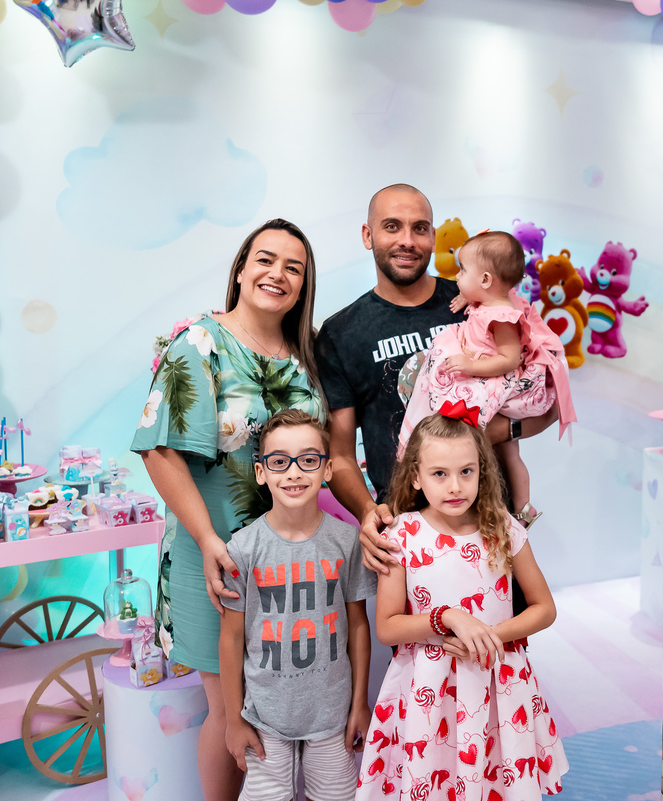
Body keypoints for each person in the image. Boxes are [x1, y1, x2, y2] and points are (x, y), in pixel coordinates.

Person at [132, 219, 326, 801]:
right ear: (241, 269)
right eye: (265, 260)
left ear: (303, 285)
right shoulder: (199, 344)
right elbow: (160, 450)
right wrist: (208, 540)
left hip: (292, 560)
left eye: (293, 267)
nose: (277, 274)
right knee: (231, 711)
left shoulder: (306, 355)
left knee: (282, 704)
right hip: (215, 558)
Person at [316, 184, 558, 574]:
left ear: (433, 235)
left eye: (420, 228)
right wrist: (367, 511)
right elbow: (341, 454)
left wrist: (503, 430)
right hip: (408, 534)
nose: (407, 240)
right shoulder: (341, 333)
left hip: (492, 527)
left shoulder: (477, 303)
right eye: (392, 226)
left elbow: (544, 399)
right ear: (367, 235)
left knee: (511, 617)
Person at [354, 409, 567, 800]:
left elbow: (544, 608)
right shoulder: (401, 534)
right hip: (428, 688)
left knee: (495, 780)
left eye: (466, 471)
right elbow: (387, 626)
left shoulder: (503, 527)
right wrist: (448, 618)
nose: (455, 486)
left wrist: (487, 637)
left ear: (482, 471)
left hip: (497, 682)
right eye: (440, 473)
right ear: (415, 476)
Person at [219, 410, 375, 801]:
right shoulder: (242, 549)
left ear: (327, 469)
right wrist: (233, 720)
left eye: (308, 459)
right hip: (265, 719)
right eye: (279, 461)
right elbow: (231, 638)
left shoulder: (347, 541)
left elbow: (358, 626)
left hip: (332, 716)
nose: (293, 473)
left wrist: (360, 703)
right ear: (261, 472)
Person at [397, 230, 575, 526]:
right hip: (489, 368)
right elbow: (478, 304)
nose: (457, 276)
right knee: (509, 452)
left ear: (485, 280)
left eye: (463, 270)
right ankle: (521, 508)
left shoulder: (503, 316)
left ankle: (522, 510)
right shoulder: (488, 302)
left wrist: (470, 365)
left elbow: (509, 358)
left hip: (499, 377)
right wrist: (466, 296)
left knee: (506, 452)